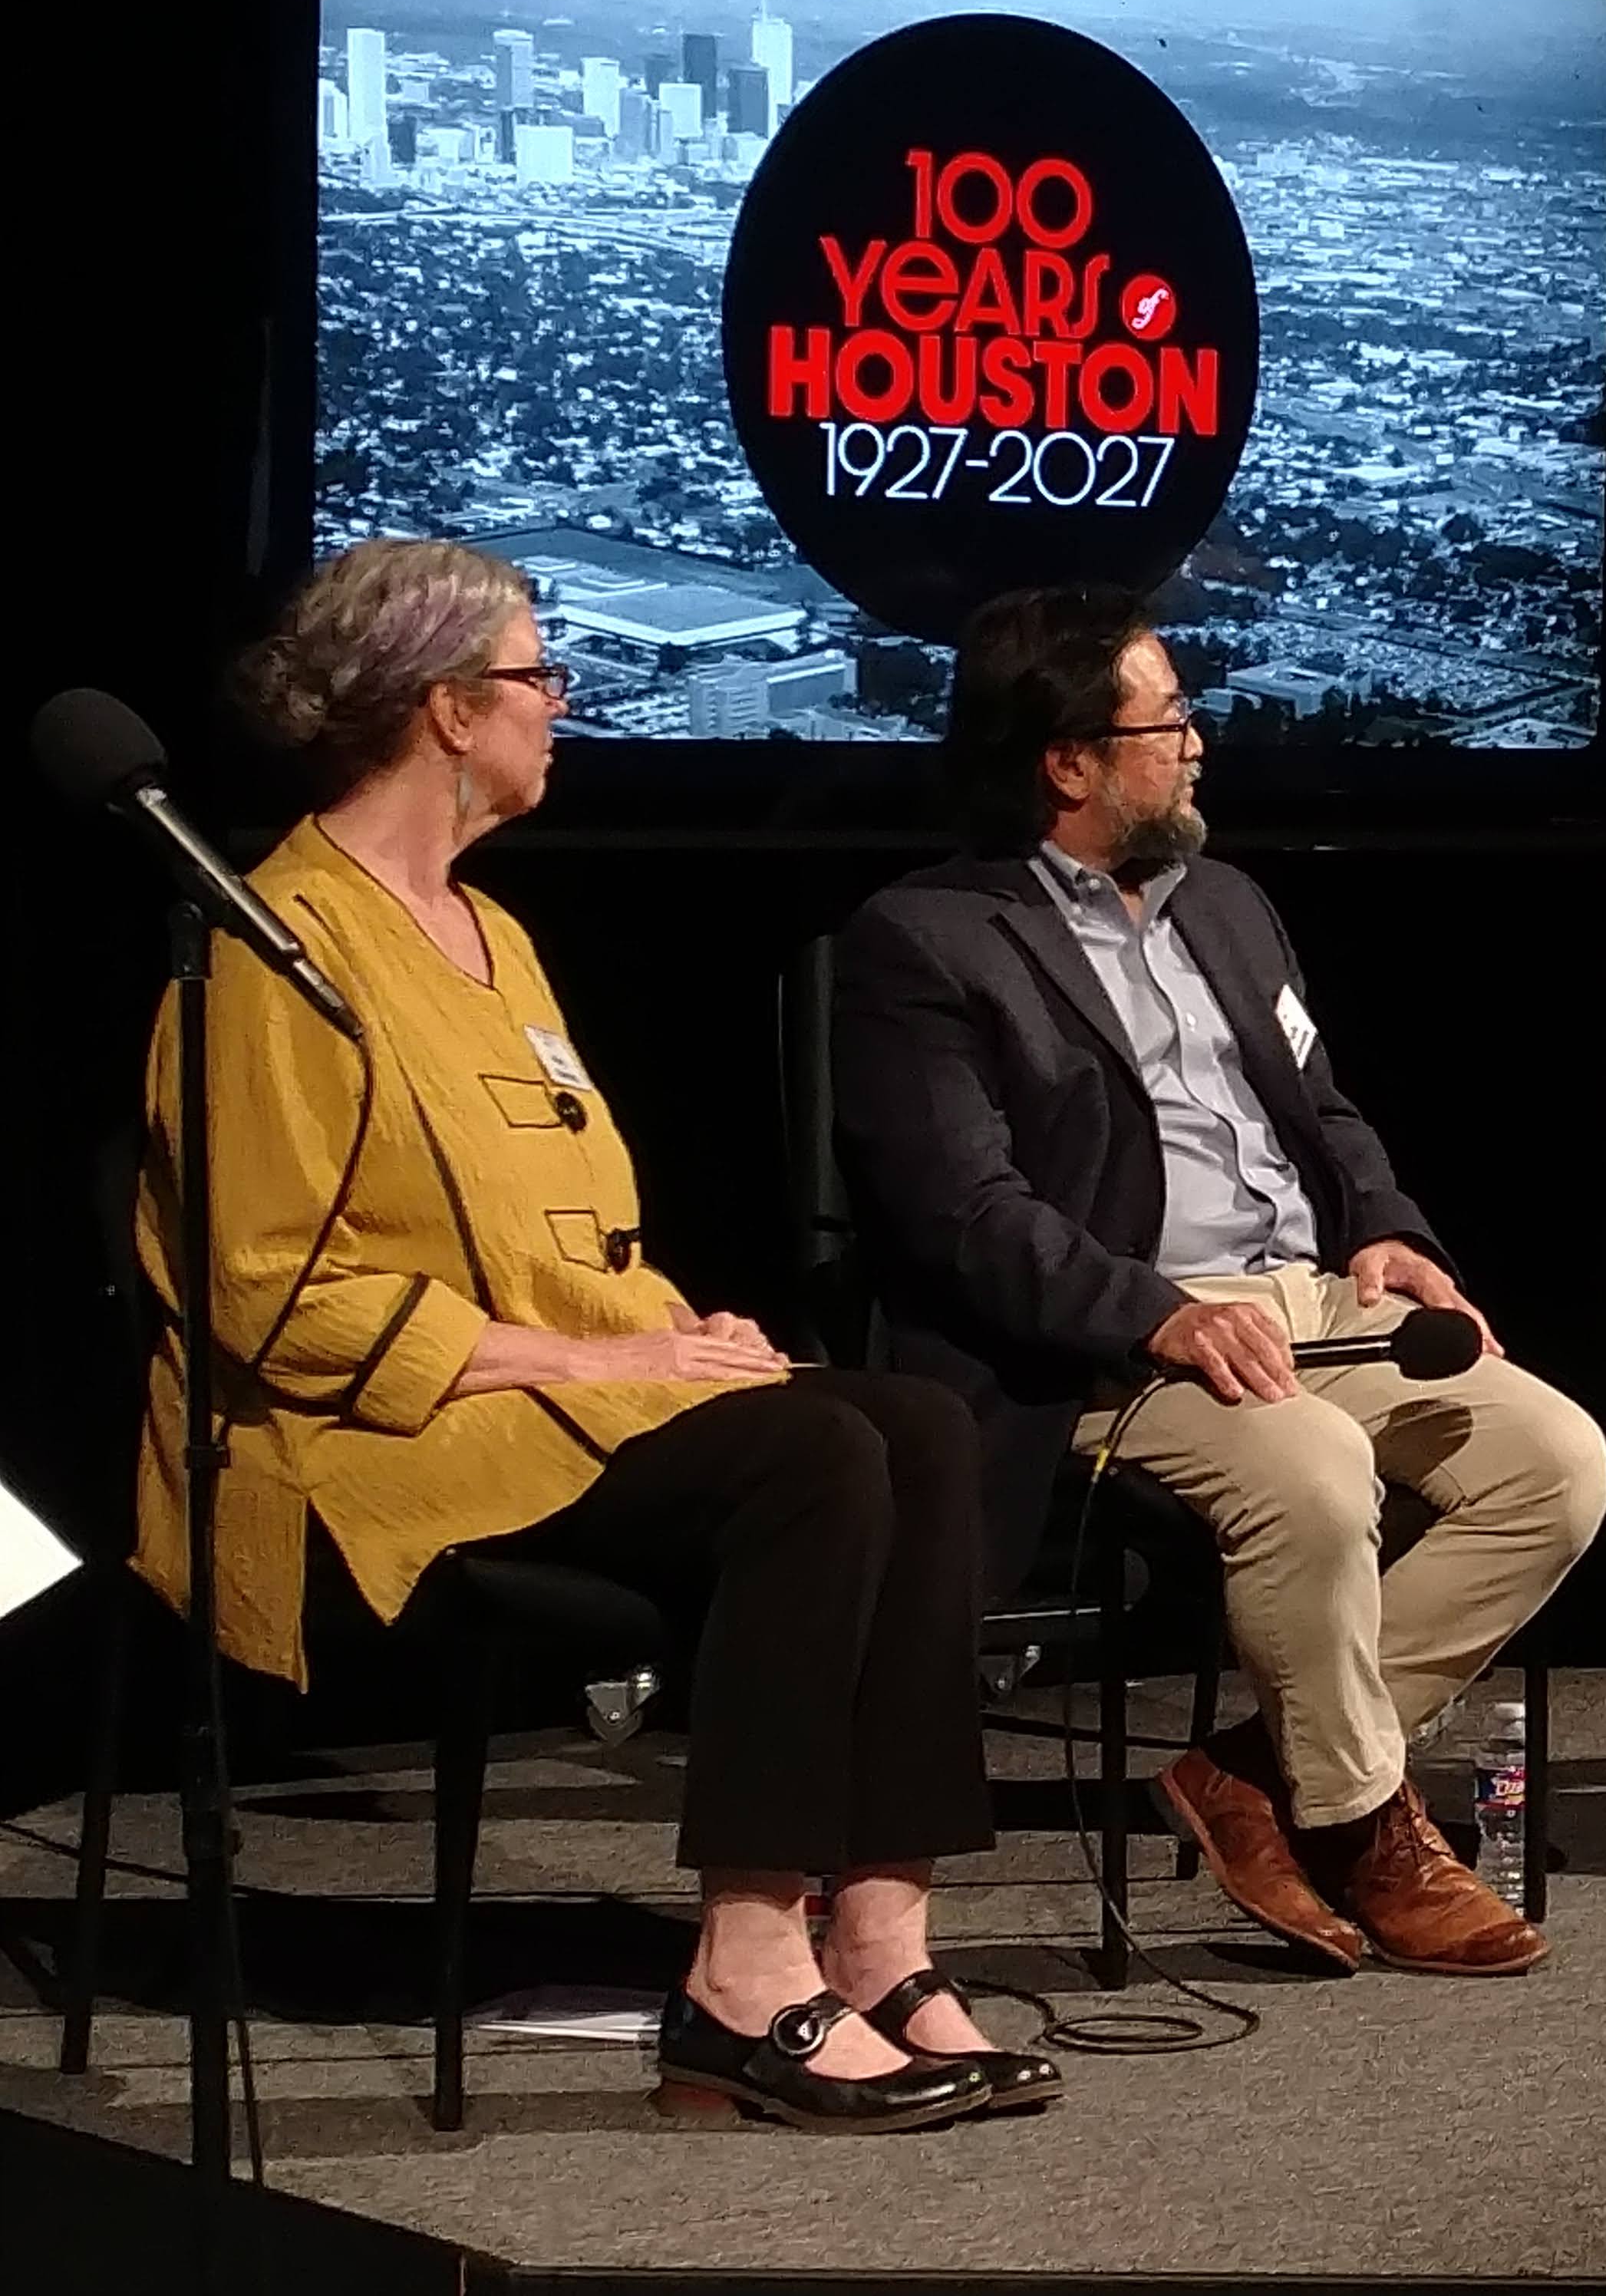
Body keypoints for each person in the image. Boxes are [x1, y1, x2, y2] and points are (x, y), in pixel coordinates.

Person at [149, 538, 1041, 2132]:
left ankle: (881, 1937)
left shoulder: (500, 941)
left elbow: (569, 1235)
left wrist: (678, 1330)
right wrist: (605, 1364)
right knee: (820, 1459)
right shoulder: (276, 949)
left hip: (550, 1400)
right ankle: (745, 1970)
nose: (562, 705)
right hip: (373, 1440)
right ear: (442, 711)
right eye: (537, 677)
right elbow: (270, 1294)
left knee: (911, 1421)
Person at [832, 584, 1606, 1979]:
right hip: (1107, 1342)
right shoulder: (928, 939)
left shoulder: (1232, 905)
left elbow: (1327, 1108)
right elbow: (965, 1213)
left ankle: (1253, 1771)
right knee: (1312, 1472)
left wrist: (1385, 1226)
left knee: (1558, 1458)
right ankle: (1370, 1822)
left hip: (1309, 1292)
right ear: (1069, 762)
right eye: (1167, 720)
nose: (1198, 744)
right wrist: (1160, 1312)